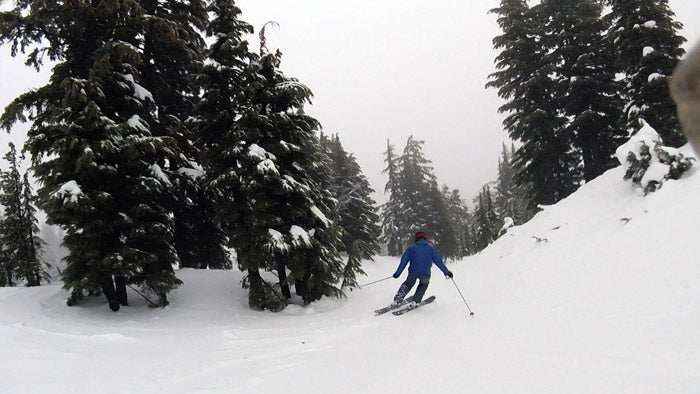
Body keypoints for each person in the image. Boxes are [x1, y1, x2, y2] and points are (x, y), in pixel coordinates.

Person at [391, 231, 453, 307]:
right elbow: (439, 262)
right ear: (424, 238)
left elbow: (403, 262)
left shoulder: (411, 249)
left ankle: (397, 300)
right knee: (423, 285)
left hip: (412, 272)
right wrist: (446, 272)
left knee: (408, 284)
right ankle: (415, 301)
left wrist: (398, 273)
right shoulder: (431, 249)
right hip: (425, 273)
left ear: (416, 238)